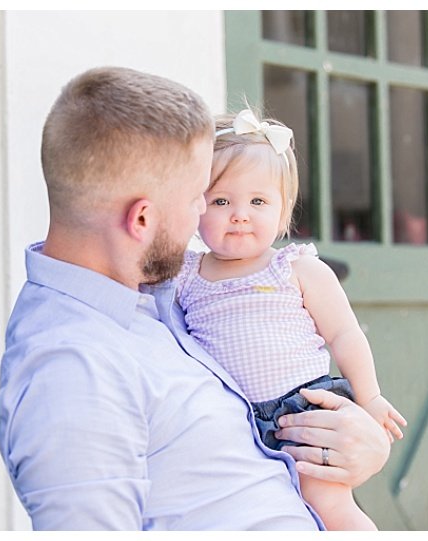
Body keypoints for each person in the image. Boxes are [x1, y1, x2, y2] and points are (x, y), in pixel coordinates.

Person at [0, 66, 390, 531]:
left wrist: (362, 443)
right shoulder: (71, 370)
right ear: (142, 220)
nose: (211, 213)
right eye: (202, 198)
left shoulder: (149, 293)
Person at [175, 107, 407, 530]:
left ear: (283, 212)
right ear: (195, 206)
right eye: (221, 200)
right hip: (232, 422)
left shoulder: (294, 269)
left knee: (330, 509)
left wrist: (369, 397)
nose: (240, 213)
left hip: (302, 411)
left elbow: (344, 334)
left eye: (258, 201)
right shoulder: (187, 276)